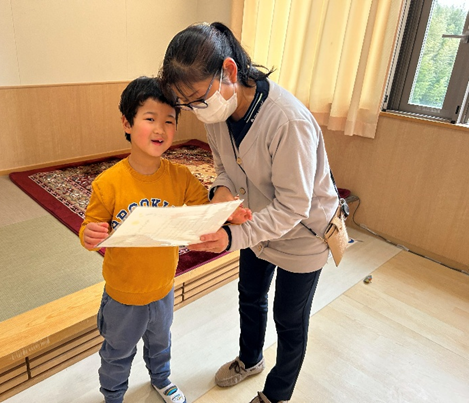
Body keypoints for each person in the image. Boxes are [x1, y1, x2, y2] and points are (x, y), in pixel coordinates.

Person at [159, 22, 340, 403]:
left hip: (303, 233)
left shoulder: (287, 120)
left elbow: (294, 205)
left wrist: (231, 236)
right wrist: (221, 199)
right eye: (185, 103)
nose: (195, 110)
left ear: (229, 71)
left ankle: (276, 395)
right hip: (255, 225)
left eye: (197, 98)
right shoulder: (217, 114)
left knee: (289, 321)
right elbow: (224, 169)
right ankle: (250, 359)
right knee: (250, 296)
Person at [80, 76, 250, 403]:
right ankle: (113, 395)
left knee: (161, 344)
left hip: (163, 289)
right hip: (122, 295)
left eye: (169, 121)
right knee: (117, 352)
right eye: (150, 119)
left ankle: (161, 379)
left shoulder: (180, 177)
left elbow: (204, 211)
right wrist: (89, 235)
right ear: (127, 123)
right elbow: (90, 229)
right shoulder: (108, 183)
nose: (160, 129)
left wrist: (228, 214)